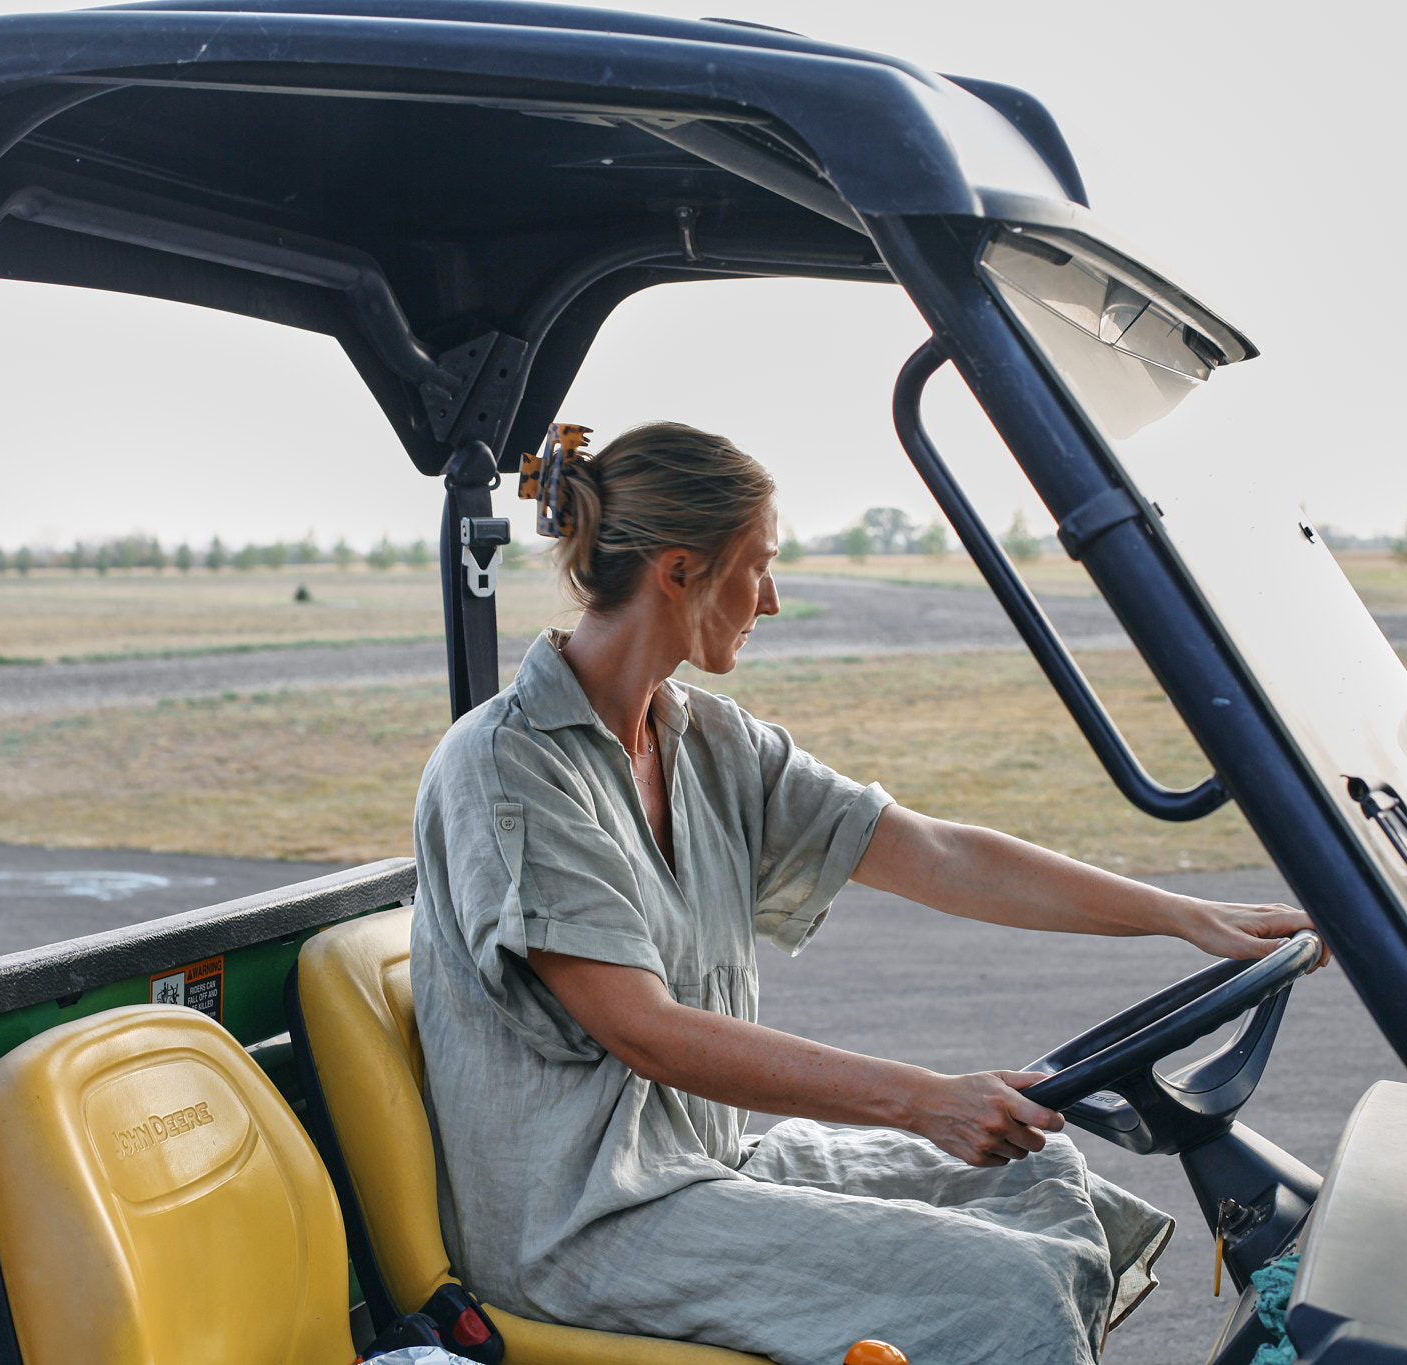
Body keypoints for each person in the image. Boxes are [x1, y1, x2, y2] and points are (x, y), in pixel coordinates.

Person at [410, 422, 1318, 1365]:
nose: (770, 597)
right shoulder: (509, 768)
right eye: (757, 565)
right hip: (583, 1225)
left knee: (1045, 1176)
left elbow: (938, 853)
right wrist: (925, 1100)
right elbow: (644, 1028)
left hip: (699, 1167)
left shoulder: (711, 745)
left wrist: (1186, 918)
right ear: (678, 571)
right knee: (1002, 1292)